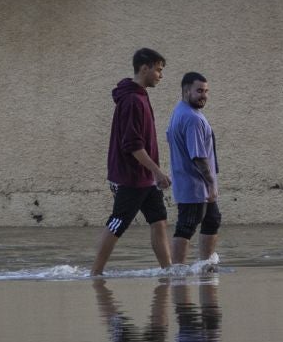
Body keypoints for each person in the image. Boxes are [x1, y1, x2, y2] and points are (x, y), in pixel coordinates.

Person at [92, 47, 172, 277]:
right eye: (158, 70)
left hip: (145, 179)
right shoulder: (132, 101)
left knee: (159, 220)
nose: (160, 75)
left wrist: (153, 174)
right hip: (130, 178)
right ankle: (95, 273)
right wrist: (157, 171)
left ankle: (167, 271)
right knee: (117, 223)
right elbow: (133, 145)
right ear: (144, 67)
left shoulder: (141, 96)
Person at [165, 71, 221, 266]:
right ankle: (177, 269)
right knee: (187, 225)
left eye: (206, 91)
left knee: (212, 220)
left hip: (191, 184)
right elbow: (198, 156)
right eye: (199, 91)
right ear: (186, 90)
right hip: (194, 186)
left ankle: (206, 264)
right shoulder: (192, 118)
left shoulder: (180, 111)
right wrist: (211, 184)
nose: (203, 95)